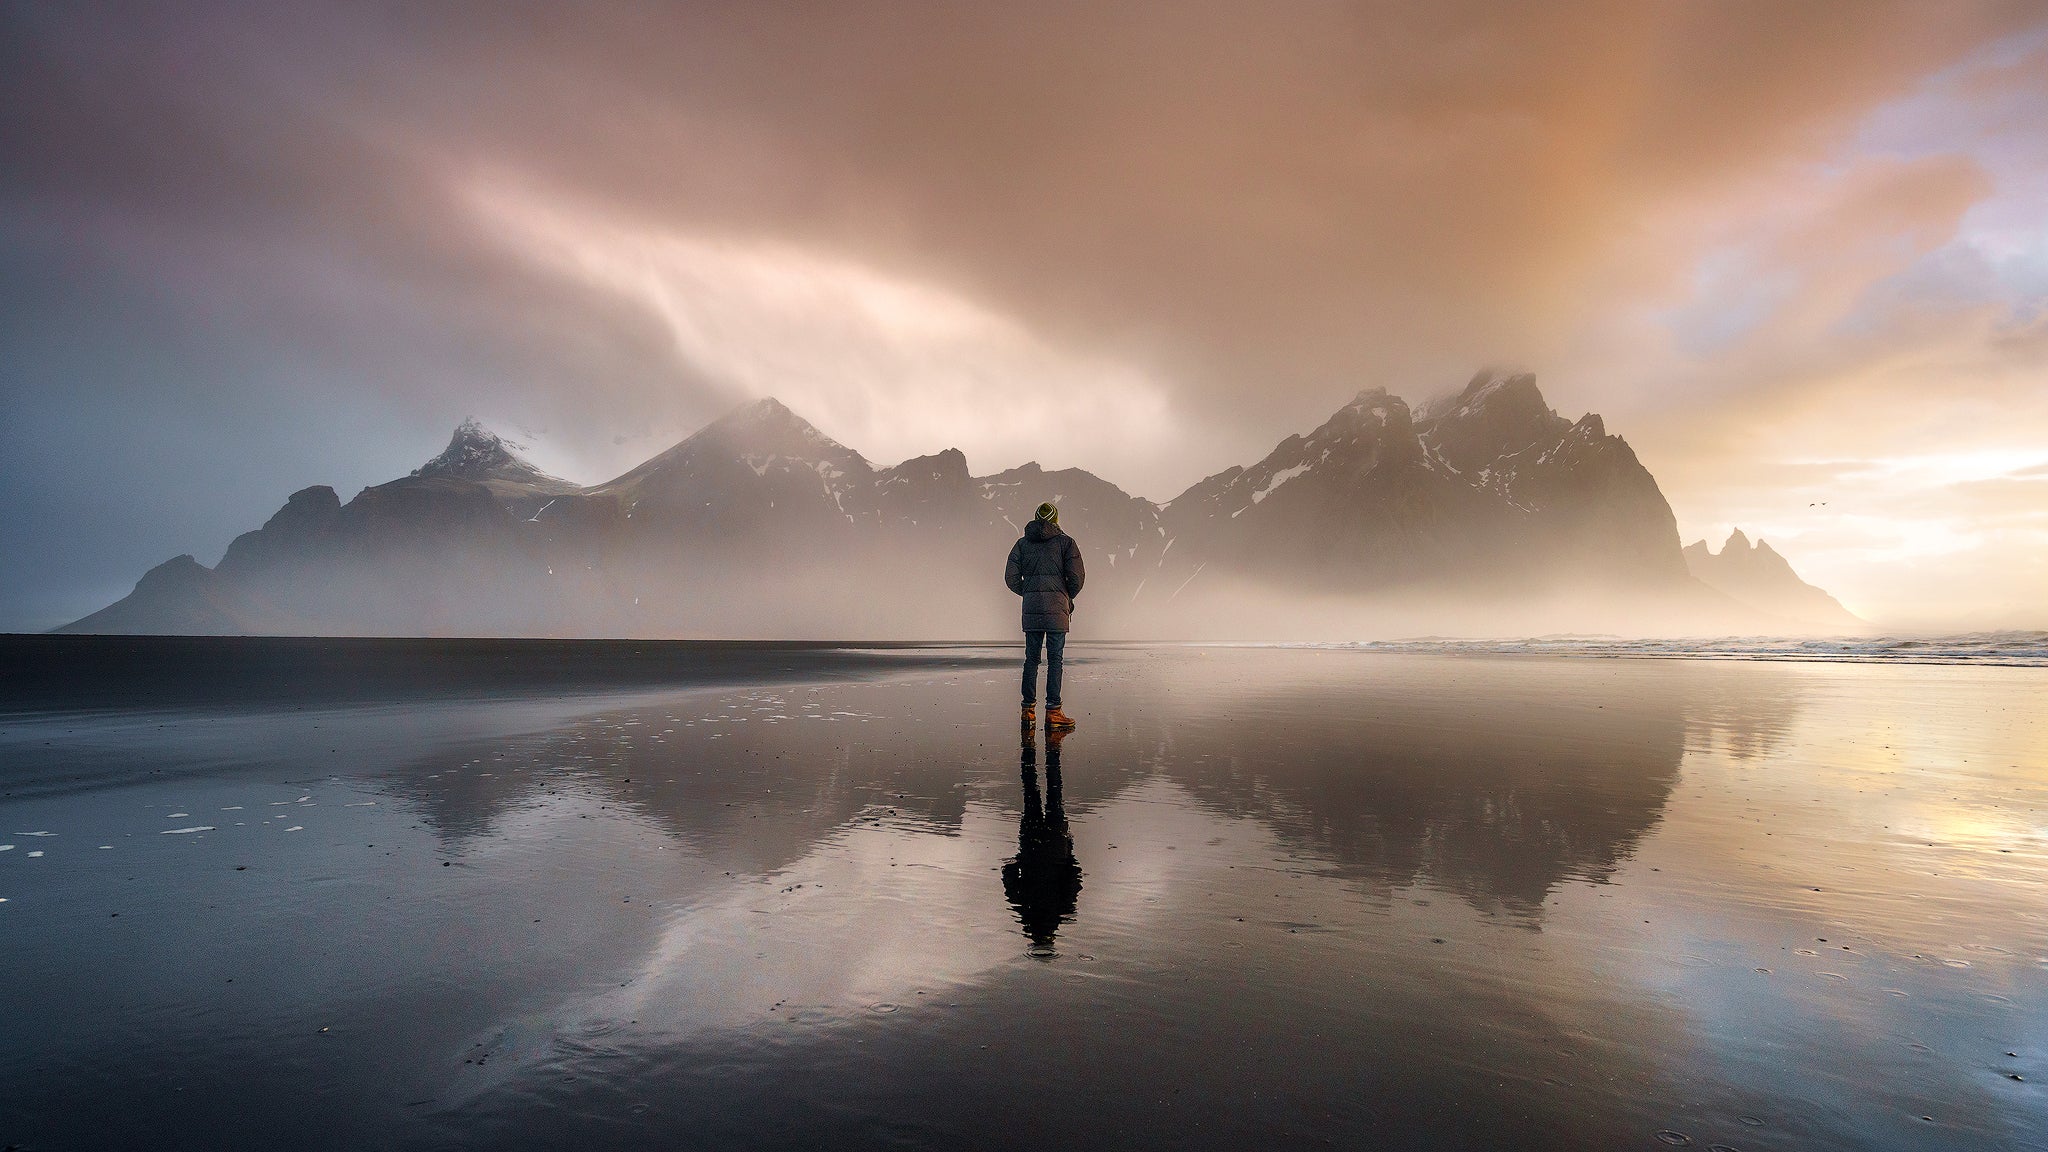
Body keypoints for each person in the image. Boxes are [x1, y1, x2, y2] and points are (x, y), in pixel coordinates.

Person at [1005, 501, 1084, 728]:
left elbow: (1011, 578)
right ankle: (1053, 712)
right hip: (1057, 610)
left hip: (1031, 610)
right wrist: (1065, 595)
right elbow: (1077, 578)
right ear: (1056, 520)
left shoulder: (1021, 545)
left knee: (1031, 659)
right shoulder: (1066, 544)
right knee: (1055, 660)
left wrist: (1028, 592)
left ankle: (1028, 711)